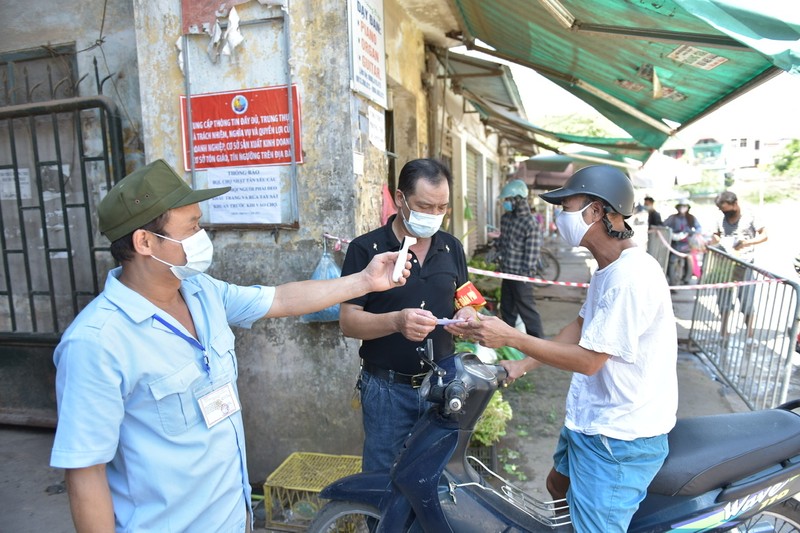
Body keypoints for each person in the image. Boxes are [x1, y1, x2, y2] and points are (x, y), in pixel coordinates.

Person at [49, 159, 411, 533]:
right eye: (192, 227)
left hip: (233, 520)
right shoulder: (96, 343)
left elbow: (282, 300)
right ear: (145, 242)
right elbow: (85, 472)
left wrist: (366, 281)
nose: (201, 236)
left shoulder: (201, 292)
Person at [447, 165, 678, 532]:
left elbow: (589, 362)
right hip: (591, 419)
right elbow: (581, 326)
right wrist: (520, 365)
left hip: (617, 438)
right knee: (557, 486)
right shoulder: (608, 268)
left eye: (566, 206)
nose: (559, 216)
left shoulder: (630, 279)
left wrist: (512, 337)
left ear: (596, 211)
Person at [339, 158, 479, 472]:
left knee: (435, 477)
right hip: (387, 390)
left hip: (442, 386)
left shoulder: (452, 247)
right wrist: (396, 321)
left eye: (442, 208)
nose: (434, 215)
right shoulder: (367, 249)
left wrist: (467, 314)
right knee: (384, 479)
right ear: (401, 199)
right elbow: (348, 322)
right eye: (424, 206)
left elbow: (464, 297)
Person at [710, 190, 768, 343]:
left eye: (728, 210)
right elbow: (715, 235)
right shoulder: (720, 218)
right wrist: (719, 243)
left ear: (735, 204)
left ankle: (749, 335)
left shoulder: (750, 216)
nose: (726, 214)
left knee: (747, 300)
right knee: (723, 300)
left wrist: (747, 243)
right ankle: (723, 332)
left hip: (745, 263)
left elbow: (764, 235)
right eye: (723, 211)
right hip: (725, 264)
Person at [497, 179, 544, 338]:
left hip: (521, 275)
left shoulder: (530, 223)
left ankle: (538, 346)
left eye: (508, 200)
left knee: (527, 311)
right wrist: (495, 250)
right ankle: (507, 340)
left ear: (517, 199)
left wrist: (525, 275)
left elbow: (532, 252)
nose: (506, 203)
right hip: (506, 273)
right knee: (506, 308)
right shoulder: (506, 219)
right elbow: (503, 242)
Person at [663, 201, 702, 286]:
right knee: (672, 262)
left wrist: (691, 232)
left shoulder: (691, 218)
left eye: (684, 206)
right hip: (675, 244)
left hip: (687, 244)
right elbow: (663, 226)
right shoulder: (672, 218)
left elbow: (699, 228)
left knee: (689, 261)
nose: (682, 208)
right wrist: (671, 232)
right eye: (681, 206)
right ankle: (673, 282)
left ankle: (686, 279)